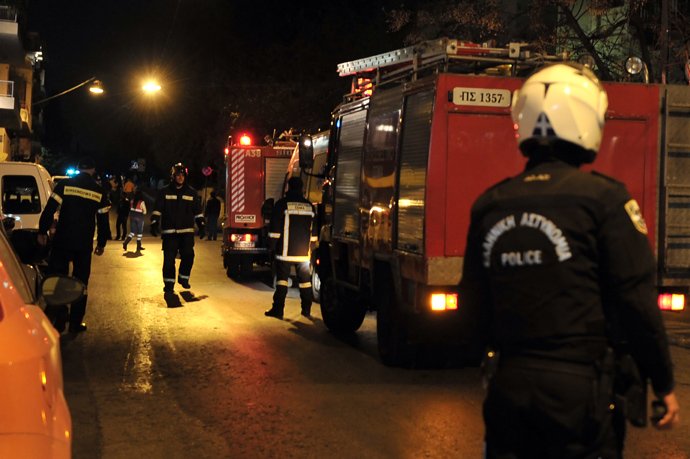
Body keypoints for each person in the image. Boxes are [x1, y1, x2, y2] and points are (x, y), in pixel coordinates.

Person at [459, 63, 679, 458]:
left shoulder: (489, 205)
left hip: (509, 389)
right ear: (586, 119)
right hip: (580, 393)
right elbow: (637, 304)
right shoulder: (606, 201)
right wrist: (663, 384)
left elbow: (472, 308)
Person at [37, 156, 111, 334]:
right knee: (81, 283)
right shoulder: (98, 191)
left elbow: (50, 209)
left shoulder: (64, 186)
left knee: (57, 280)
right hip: (83, 245)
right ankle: (75, 323)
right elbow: (103, 222)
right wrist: (101, 243)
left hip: (62, 241)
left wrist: (42, 231)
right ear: (92, 170)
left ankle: (59, 316)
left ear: (78, 169)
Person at [265, 177, 317, 319]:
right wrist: (311, 249)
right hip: (303, 254)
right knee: (305, 282)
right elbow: (314, 231)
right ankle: (306, 310)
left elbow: (275, 229)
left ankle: (278, 310)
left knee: (282, 280)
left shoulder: (282, 204)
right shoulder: (309, 206)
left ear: (288, 187)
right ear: (301, 188)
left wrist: (271, 246)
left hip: (285, 252)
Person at [150, 163, 205, 293]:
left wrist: (201, 225)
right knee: (169, 261)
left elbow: (198, 211)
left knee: (188, 256)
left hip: (186, 233)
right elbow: (157, 209)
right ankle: (169, 284)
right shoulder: (164, 191)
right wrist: (154, 222)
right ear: (173, 176)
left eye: (182, 175)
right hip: (169, 233)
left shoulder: (192, 193)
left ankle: (183, 278)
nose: (180, 178)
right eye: (178, 175)